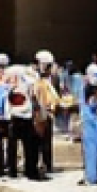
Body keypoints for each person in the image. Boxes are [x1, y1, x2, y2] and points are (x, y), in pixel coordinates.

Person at [6, 66, 39, 181]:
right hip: (23, 116)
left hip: (18, 116)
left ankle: (14, 170)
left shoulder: (13, 85)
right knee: (27, 145)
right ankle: (28, 170)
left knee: (15, 146)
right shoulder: (26, 82)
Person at [33, 51, 60, 179]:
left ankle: (47, 164)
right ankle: (37, 165)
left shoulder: (52, 79)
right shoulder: (34, 78)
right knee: (37, 140)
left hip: (48, 112)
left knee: (46, 141)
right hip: (37, 113)